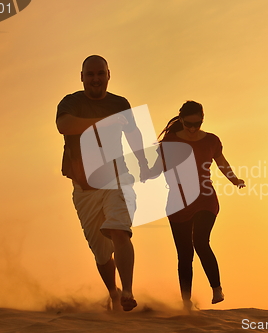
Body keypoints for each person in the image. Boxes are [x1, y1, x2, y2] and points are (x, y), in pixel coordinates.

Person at [56, 55, 149, 312]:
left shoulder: (120, 104)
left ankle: (128, 291)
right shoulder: (71, 102)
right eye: (90, 74)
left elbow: (133, 133)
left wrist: (142, 162)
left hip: (116, 178)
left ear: (109, 74)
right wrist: (102, 123)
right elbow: (64, 126)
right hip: (84, 187)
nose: (96, 79)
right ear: (82, 76)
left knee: (119, 230)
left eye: (100, 73)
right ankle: (113, 292)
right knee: (101, 254)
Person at [150, 101, 245, 310]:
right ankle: (186, 303)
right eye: (189, 124)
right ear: (181, 120)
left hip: (205, 198)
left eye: (198, 124)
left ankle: (217, 288)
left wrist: (234, 179)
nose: (193, 129)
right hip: (178, 201)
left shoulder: (211, 140)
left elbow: (222, 163)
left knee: (200, 241)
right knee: (185, 255)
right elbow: (156, 169)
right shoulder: (170, 142)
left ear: (202, 120)